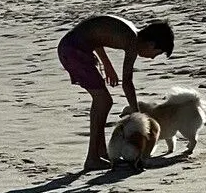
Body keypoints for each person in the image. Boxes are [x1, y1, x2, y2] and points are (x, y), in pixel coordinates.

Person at [57, 15, 174, 171]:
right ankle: (92, 158)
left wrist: (107, 64)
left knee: (103, 101)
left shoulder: (131, 32)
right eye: (156, 53)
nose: (152, 58)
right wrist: (137, 115)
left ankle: (99, 151)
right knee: (103, 101)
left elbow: (95, 35)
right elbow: (127, 83)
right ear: (151, 44)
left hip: (74, 47)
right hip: (73, 50)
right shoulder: (133, 41)